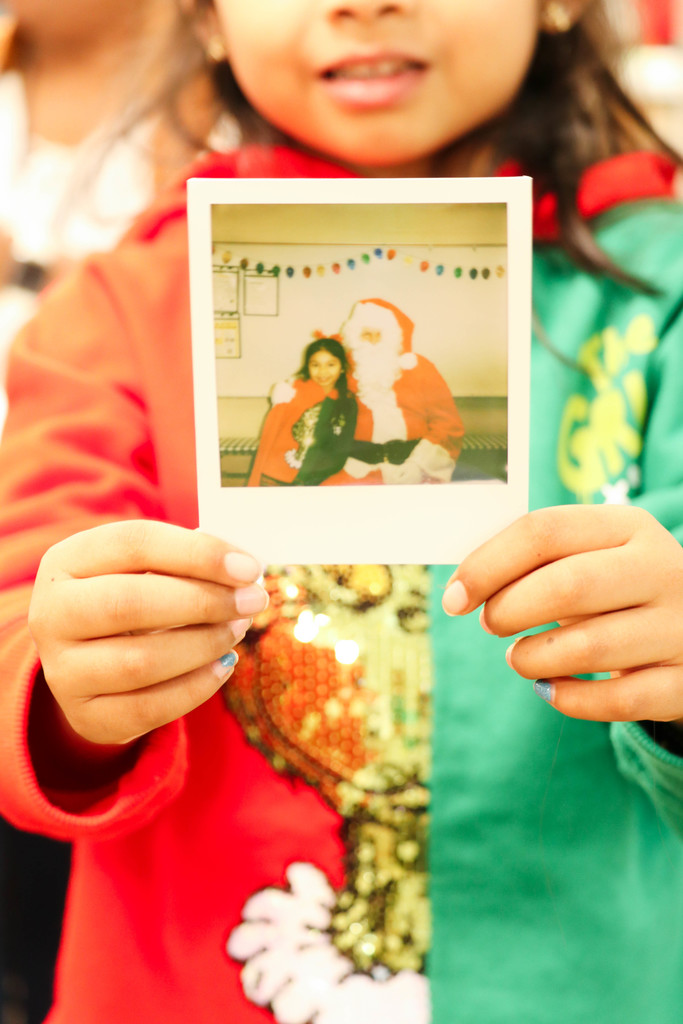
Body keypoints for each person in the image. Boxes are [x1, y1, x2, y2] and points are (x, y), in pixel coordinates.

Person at [0, 2, 683, 1023]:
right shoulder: (116, 315)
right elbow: (23, 630)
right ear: (208, 18)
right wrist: (71, 689)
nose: (362, 1)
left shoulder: (658, 293)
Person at [336, 297, 464, 484]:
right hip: (355, 470)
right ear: (354, 337)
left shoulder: (420, 368)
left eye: (379, 334)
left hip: (415, 467)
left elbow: (447, 426)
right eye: (366, 335)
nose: (373, 342)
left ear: (391, 337)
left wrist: (419, 466)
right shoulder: (340, 370)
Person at [248, 335, 358, 486]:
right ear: (308, 366)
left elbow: (343, 446)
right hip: (278, 474)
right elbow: (272, 436)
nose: (322, 372)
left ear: (342, 367)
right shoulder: (292, 393)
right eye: (315, 365)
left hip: (319, 477)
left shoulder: (347, 401)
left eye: (331, 365)